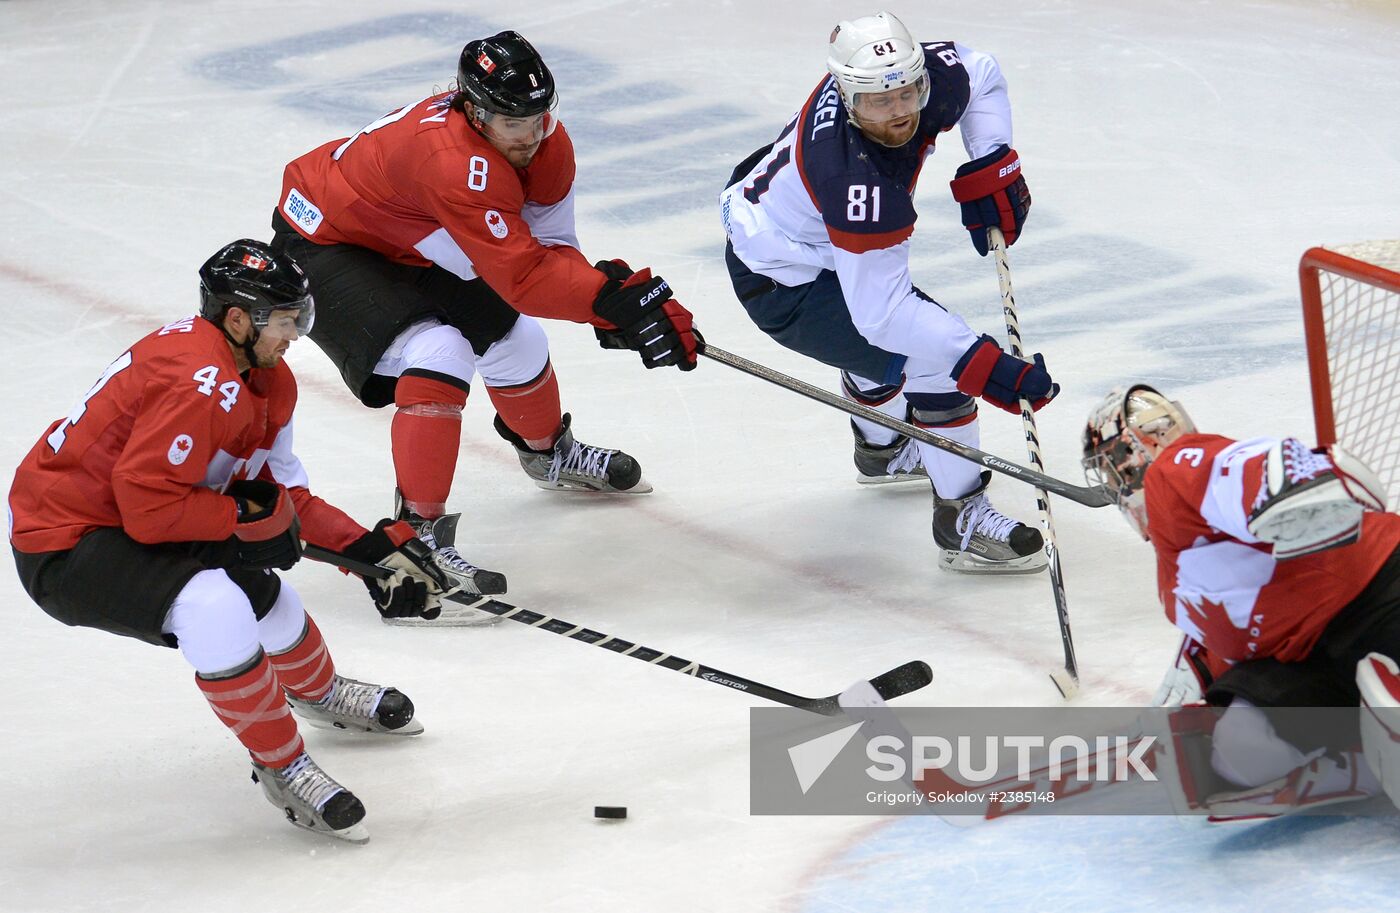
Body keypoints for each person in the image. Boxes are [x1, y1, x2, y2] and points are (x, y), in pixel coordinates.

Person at [8, 240, 457, 843]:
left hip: (148, 510)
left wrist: (367, 552)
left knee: (266, 596)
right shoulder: (199, 380)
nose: (297, 332)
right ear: (238, 318)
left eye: (302, 316)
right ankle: (283, 767)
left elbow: (277, 495)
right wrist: (240, 522)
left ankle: (318, 694)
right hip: (67, 541)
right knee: (214, 607)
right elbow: (147, 511)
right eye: (286, 319)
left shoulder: (266, 380)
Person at [270, 30, 699, 622]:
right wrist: (607, 302)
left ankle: (549, 454)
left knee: (518, 342)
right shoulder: (452, 162)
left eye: (537, 118)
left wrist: (608, 299)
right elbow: (524, 275)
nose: (527, 137)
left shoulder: (548, 144)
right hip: (328, 242)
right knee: (439, 351)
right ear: (473, 110)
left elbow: (551, 250)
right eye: (509, 122)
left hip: (412, 235)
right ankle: (417, 536)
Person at [718, 11, 1053, 574]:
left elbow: (982, 72)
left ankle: (883, 449)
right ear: (847, 97)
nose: (898, 110)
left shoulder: (910, 80)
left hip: (790, 228)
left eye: (907, 90)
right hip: (784, 282)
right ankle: (960, 518)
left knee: (900, 340)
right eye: (878, 100)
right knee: (934, 361)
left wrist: (991, 161)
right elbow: (883, 315)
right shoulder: (857, 182)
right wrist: (979, 361)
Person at [1082, 384, 1400, 819]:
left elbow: (1233, 471)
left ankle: (1384, 733)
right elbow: (1204, 664)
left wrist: (1296, 483)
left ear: (1134, 453)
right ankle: (1368, 750)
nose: (1114, 484)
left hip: (1381, 590)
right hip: (1318, 661)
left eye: (1112, 469)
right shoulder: (1175, 583)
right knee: (1231, 752)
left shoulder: (1169, 475)